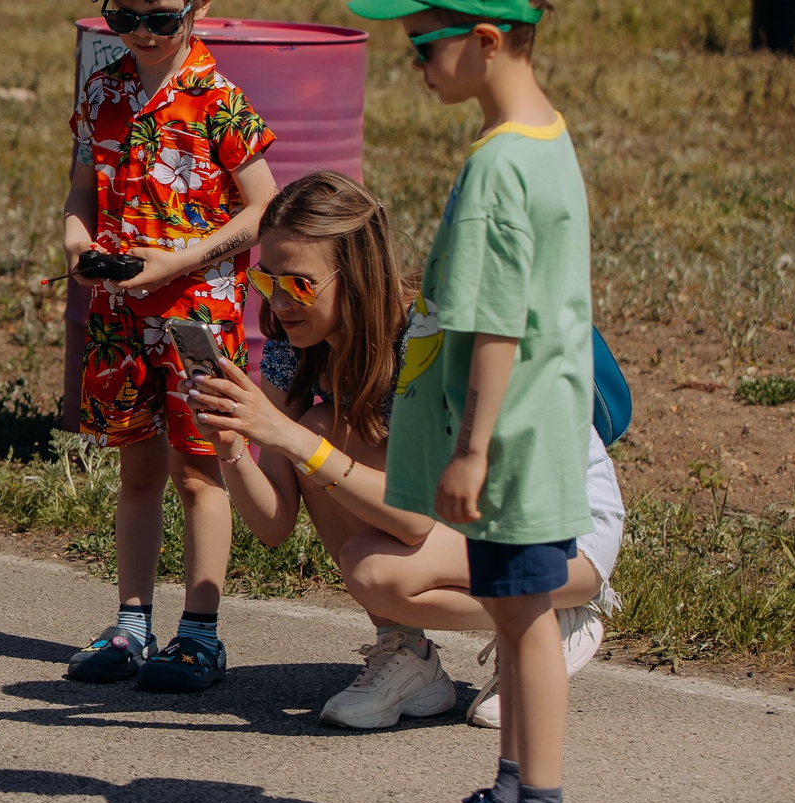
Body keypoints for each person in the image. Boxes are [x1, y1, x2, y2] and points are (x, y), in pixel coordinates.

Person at [188, 171, 622, 730]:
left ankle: (546, 617)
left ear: (357, 275)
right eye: (266, 283)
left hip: (559, 523)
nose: (279, 303)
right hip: (468, 512)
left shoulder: (431, 336)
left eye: (298, 285)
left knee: (374, 568)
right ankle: (408, 656)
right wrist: (233, 450)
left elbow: (412, 523)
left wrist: (290, 436)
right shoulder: (291, 351)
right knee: (323, 427)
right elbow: (273, 526)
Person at [355, 0, 594, 803]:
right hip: (540, 421)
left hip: (514, 432)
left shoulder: (499, 166)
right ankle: (509, 797)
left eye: (425, 42)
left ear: (488, 38)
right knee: (509, 611)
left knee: (526, 624)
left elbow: (495, 322)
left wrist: (471, 446)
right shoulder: (543, 134)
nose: (413, 60)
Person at [61, 0, 278, 692]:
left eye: (161, 16)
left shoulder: (218, 100)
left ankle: (200, 630)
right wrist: (79, 239)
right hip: (122, 317)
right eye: (126, 17)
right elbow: (82, 190)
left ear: (202, 3)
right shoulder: (105, 90)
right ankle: (129, 623)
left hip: (197, 316)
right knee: (137, 471)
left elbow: (264, 207)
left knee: (201, 470)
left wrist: (185, 256)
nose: (143, 33)